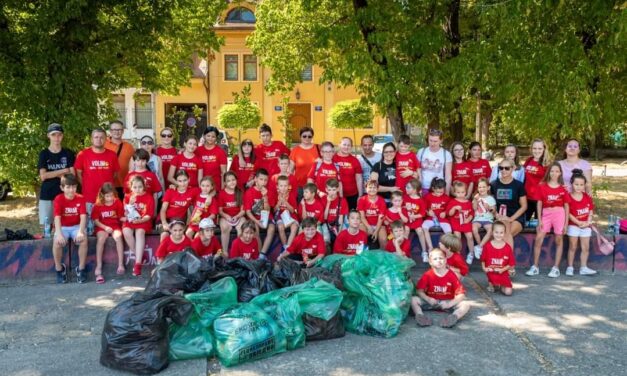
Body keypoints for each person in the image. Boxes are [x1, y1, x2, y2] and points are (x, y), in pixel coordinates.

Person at [527, 163, 570, 278]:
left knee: (559, 239)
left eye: (557, 171)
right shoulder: (542, 186)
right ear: (548, 172)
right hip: (546, 213)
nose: (554, 173)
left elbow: (566, 206)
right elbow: (539, 203)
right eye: (552, 171)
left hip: (559, 214)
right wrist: (539, 220)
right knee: (539, 238)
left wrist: (566, 223)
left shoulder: (563, 188)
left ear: (560, 173)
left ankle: (555, 268)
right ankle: (535, 266)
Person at [411, 248, 470, 328]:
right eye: (435, 259)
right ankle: (420, 316)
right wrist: (428, 299)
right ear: (430, 262)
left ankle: (453, 317)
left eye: (441, 258)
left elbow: (461, 294)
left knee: (465, 304)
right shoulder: (427, 275)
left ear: (445, 260)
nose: (438, 260)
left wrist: (449, 304)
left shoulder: (451, 275)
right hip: (431, 301)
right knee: (413, 299)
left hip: (446, 302)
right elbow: (419, 291)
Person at [38, 123, 75, 231]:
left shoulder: (68, 153)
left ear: (62, 136)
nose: (56, 137)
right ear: (48, 136)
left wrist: (52, 174)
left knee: (64, 225)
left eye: (59, 134)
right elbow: (43, 176)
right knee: (47, 227)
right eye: (53, 134)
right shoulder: (44, 154)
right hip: (47, 194)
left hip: (65, 194)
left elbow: (72, 175)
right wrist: (64, 170)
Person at [74, 128, 120, 217]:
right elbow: (78, 174)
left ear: (106, 139)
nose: (99, 140)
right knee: (89, 226)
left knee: (107, 225)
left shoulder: (112, 155)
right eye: (96, 137)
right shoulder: (83, 154)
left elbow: (115, 174)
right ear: (91, 139)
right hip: (89, 197)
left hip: (107, 197)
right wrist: (86, 185)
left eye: (102, 137)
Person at [52, 174, 87, 284]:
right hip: (63, 227)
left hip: (76, 226)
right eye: (68, 187)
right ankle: (59, 269)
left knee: (84, 240)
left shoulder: (81, 198)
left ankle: (81, 269)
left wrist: (81, 232)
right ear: (62, 188)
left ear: (76, 187)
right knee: (57, 243)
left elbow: (83, 217)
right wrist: (59, 234)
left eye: (73, 187)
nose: (71, 190)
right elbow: (57, 218)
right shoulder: (58, 199)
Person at [91, 183, 125, 284]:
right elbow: (96, 220)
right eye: (107, 196)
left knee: (118, 237)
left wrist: (128, 218)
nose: (110, 198)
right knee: (101, 239)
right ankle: (99, 266)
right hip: (102, 226)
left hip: (115, 226)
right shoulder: (98, 205)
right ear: (102, 195)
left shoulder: (117, 202)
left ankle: (120, 264)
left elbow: (120, 217)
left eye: (111, 195)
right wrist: (105, 227)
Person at [565, 170, 597, 276]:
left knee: (585, 248)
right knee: (573, 246)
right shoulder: (568, 196)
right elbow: (568, 213)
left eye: (581, 185)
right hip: (573, 225)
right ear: (572, 184)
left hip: (586, 225)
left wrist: (588, 221)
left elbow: (590, 210)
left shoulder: (587, 196)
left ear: (584, 185)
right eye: (576, 184)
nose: (579, 187)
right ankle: (570, 267)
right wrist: (578, 222)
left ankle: (583, 267)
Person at [491, 158, 527, 249]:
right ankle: (503, 260)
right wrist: (496, 214)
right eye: (501, 168)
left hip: (516, 217)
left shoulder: (518, 185)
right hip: (500, 216)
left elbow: (524, 206)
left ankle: (507, 261)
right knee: (501, 233)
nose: (503, 170)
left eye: (507, 168)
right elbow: (490, 203)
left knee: (506, 233)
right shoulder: (494, 184)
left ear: (513, 168)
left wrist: (511, 219)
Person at [123, 176, 155, 277]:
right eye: (135, 187)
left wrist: (141, 220)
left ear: (144, 186)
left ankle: (137, 264)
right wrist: (130, 204)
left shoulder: (149, 197)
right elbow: (125, 213)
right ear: (131, 187)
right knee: (126, 231)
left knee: (139, 232)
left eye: (140, 187)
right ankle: (139, 256)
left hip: (143, 220)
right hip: (131, 219)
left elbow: (149, 215)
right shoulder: (128, 197)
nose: (138, 189)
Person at [243, 168, 276, 258]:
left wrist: (265, 196)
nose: (263, 182)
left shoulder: (268, 192)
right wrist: (257, 222)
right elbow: (248, 212)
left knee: (272, 228)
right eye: (261, 179)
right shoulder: (249, 192)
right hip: (254, 217)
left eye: (265, 180)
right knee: (255, 230)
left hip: (267, 216)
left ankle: (262, 254)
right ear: (255, 179)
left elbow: (268, 210)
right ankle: (259, 253)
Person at [159, 170, 197, 240]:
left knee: (177, 232)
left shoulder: (193, 191)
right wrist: (164, 223)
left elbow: (208, 190)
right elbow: (163, 210)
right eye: (180, 181)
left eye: (185, 180)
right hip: (165, 219)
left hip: (179, 220)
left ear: (189, 179)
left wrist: (210, 196)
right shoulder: (170, 191)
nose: (183, 183)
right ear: (176, 181)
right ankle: (163, 251)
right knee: (164, 235)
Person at [481, 221, 515, 295]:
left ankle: (500, 285)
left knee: (508, 292)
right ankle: (492, 283)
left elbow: (511, 263)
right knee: (495, 285)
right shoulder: (487, 246)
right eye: (496, 232)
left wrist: (502, 269)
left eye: (501, 232)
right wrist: (484, 268)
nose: (499, 235)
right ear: (492, 232)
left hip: (502, 272)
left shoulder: (507, 248)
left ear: (504, 233)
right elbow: (483, 260)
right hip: (491, 272)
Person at [422, 178, 452, 260]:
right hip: (431, 218)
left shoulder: (446, 198)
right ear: (433, 189)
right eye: (437, 192)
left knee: (449, 231)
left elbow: (449, 209)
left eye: (441, 192)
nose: (439, 194)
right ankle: (430, 247)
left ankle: (446, 250)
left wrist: (445, 212)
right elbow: (423, 208)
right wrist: (428, 212)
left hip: (442, 220)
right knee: (424, 227)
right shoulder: (427, 196)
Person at [446, 181, 475, 265]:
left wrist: (469, 219)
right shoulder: (452, 202)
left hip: (466, 222)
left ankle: (471, 253)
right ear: (454, 192)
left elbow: (472, 213)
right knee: (457, 236)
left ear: (465, 192)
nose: (461, 194)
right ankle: (458, 254)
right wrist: (454, 208)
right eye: (458, 192)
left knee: (469, 236)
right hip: (456, 222)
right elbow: (449, 213)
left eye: (462, 192)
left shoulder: (468, 202)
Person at [104, 121, 135, 199]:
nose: (117, 132)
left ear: (123, 131)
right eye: (114, 129)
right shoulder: (103, 144)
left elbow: (134, 164)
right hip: (108, 184)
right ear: (110, 131)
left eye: (119, 129)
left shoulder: (129, 147)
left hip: (125, 184)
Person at [417, 129, 452, 195]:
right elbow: (417, 171)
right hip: (423, 188)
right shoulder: (421, 152)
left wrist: (447, 193)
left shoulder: (446, 154)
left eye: (435, 141)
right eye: (430, 140)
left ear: (441, 140)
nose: (432, 143)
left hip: (438, 189)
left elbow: (448, 176)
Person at [523, 138, 551, 221]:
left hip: (540, 199)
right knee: (524, 222)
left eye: (539, 148)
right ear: (531, 149)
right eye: (534, 148)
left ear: (544, 149)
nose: (537, 151)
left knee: (539, 224)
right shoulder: (529, 160)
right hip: (527, 197)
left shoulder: (547, 163)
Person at [218, 171, 246, 252]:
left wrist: (237, 216)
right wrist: (226, 216)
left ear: (236, 180)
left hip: (238, 216)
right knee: (225, 228)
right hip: (226, 217)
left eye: (233, 180)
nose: (231, 182)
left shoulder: (240, 192)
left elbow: (243, 210)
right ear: (225, 183)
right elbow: (220, 211)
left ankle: (239, 252)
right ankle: (225, 252)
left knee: (242, 228)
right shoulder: (221, 193)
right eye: (228, 181)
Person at [290, 127, 320, 201]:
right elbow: (291, 170)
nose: (307, 138)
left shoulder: (318, 148)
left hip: (316, 186)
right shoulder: (295, 150)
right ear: (300, 137)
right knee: (301, 208)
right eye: (304, 136)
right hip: (300, 187)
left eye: (309, 136)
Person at [333, 137, 363, 210]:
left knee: (351, 217)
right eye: (344, 144)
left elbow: (359, 179)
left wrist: (360, 195)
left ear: (351, 147)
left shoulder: (355, 160)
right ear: (339, 145)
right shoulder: (333, 158)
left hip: (352, 195)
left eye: (349, 145)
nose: (346, 147)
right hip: (336, 194)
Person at [357, 180, 387, 249]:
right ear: (366, 188)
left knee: (384, 240)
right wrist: (369, 227)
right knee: (360, 238)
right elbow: (362, 217)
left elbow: (381, 218)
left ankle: (382, 257)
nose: (372, 189)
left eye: (374, 187)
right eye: (370, 187)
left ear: (377, 189)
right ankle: (362, 255)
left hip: (378, 224)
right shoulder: (362, 200)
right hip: (366, 224)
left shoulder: (381, 200)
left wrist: (376, 231)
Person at [196, 125, 227, 191]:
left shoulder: (220, 152)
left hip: (215, 187)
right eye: (208, 136)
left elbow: (223, 172)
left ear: (216, 138)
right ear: (204, 136)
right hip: (200, 186)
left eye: (213, 136)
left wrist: (222, 189)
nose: (210, 138)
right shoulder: (197, 150)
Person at [472, 178, 496, 260]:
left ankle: (479, 246)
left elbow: (494, 211)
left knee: (490, 230)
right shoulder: (475, 198)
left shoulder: (491, 198)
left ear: (488, 188)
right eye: (479, 187)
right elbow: (474, 208)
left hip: (488, 219)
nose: (481, 189)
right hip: (478, 219)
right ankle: (480, 247)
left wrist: (489, 207)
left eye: (483, 187)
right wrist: (475, 200)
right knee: (474, 229)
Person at [273, 175, 299, 249]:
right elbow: (274, 210)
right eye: (281, 186)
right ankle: (285, 246)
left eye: (285, 186)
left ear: (288, 186)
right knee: (280, 227)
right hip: (280, 216)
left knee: (294, 227)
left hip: (291, 216)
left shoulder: (291, 195)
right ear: (277, 186)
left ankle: (288, 247)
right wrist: (279, 202)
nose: (283, 188)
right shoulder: (275, 195)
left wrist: (285, 202)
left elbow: (292, 210)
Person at [404, 179, 428, 256]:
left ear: (414, 190)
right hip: (407, 220)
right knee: (406, 230)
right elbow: (401, 207)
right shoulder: (405, 197)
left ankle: (424, 251)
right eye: (406, 187)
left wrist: (414, 216)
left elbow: (423, 213)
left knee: (420, 231)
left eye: (408, 187)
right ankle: (404, 250)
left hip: (417, 220)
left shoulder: (420, 200)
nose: (406, 189)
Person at [321, 178, 349, 243]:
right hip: (327, 223)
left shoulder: (342, 200)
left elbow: (341, 218)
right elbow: (324, 217)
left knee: (344, 237)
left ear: (338, 189)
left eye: (334, 190)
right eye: (329, 190)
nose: (331, 192)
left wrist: (339, 232)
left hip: (338, 223)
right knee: (326, 240)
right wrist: (328, 203)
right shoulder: (323, 199)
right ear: (326, 190)